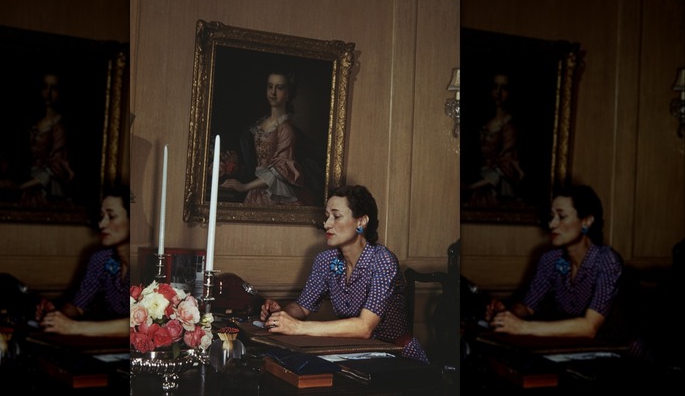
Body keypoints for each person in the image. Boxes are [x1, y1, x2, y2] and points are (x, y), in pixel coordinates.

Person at [259, 185, 429, 363]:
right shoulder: (326, 260)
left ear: (361, 222)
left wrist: (298, 327)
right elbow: (302, 307)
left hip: (396, 357)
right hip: (352, 352)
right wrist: (280, 315)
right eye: (326, 217)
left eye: (336, 216)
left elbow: (365, 328)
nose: (327, 224)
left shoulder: (383, 261)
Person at [485, 184, 624, 338]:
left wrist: (522, 327)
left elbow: (589, 327)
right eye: (552, 217)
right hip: (572, 349)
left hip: (617, 350)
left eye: (562, 216)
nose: (551, 224)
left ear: (587, 221)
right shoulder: (551, 259)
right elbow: (528, 306)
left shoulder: (607, 260)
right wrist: (506, 314)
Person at [36, 184, 130, 337]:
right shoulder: (101, 259)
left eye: (111, 216)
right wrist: (56, 315)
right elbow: (78, 306)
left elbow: (144, 326)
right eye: (102, 216)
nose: (101, 224)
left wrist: (73, 328)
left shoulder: (154, 263)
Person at [220, 68, 314, 206]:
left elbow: (281, 171)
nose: (273, 92)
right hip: (256, 190)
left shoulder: (286, 129)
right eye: (270, 87)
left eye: (279, 88)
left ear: (288, 94)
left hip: (277, 193)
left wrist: (245, 187)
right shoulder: (258, 124)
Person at [16, 72, 75, 206]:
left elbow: (56, 168)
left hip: (47, 191)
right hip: (29, 189)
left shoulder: (59, 127)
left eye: (53, 88)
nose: (47, 93)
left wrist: (20, 187)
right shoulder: (34, 124)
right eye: (45, 87)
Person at [467, 72, 524, 206]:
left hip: (498, 188)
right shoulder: (484, 123)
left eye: (503, 88)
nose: (498, 92)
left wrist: (470, 187)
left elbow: (506, 167)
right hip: (480, 185)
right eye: (495, 87)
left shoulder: (510, 127)